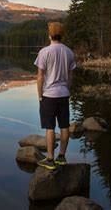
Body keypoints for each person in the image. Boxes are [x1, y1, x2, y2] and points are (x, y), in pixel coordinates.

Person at [33, 22, 76, 170]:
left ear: (50, 35)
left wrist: (40, 95)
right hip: (64, 94)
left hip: (49, 95)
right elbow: (70, 76)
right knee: (64, 126)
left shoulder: (44, 52)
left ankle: (50, 160)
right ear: (61, 35)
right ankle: (62, 157)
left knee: (50, 127)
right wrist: (67, 90)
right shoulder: (69, 52)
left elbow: (40, 77)